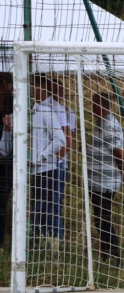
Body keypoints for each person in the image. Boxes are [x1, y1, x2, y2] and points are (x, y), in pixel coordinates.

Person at [88, 92, 124, 267]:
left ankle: (115, 258)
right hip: (98, 180)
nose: (91, 108)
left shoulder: (108, 125)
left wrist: (123, 170)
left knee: (104, 219)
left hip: (104, 182)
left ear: (101, 106)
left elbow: (118, 152)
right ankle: (106, 254)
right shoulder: (103, 123)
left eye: (93, 104)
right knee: (100, 218)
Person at [31, 74, 66, 240]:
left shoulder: (50, 110)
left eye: (35, 85)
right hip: (33, 170)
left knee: (50, 209)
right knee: (37, 208)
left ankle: (53, 244)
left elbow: (63, 139)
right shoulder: (30, 110)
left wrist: (41, 157)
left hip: (48, 168)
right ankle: (37, 242)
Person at [47, 79, 76, 240]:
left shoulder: (67, 112)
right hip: (43, 163)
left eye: (58, 91)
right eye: (52, 91)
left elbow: (67, 140)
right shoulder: (42, 109)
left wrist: (57, 159)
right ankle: (41, 237)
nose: (55, 94)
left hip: (58, 165)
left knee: (55, 202)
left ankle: (57, 238)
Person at [0, 74, 13, 250]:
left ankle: (0, 243)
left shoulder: (13, 109)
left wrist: (8, 129)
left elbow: (7, 147)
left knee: (1, 204)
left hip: (5, 165)